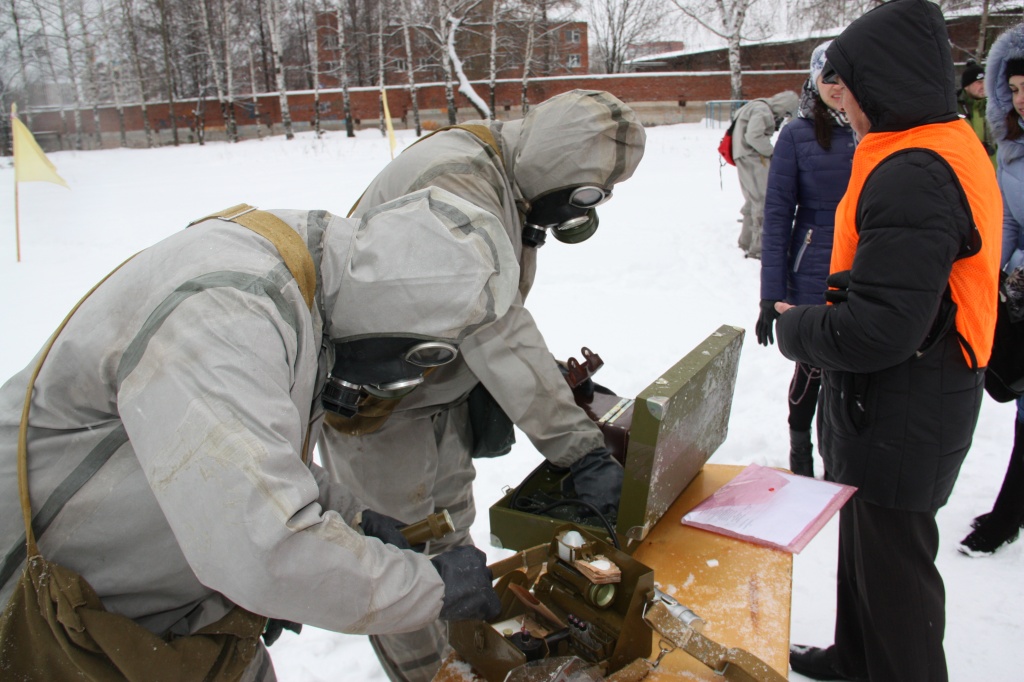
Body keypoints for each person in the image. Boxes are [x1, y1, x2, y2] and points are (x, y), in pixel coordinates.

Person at [0, 188, 519, 681]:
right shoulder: (231, 310)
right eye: (417, 361)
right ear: (392, 313)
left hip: (147, 595)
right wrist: (432, 588)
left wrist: (350, 514)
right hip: (40, 598)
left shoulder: (310, 292)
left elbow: (245, 453)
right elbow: (265, 550)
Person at [318, 89, 646, 682]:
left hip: (433, 398)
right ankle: (428, 672)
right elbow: (493, 324)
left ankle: (468, 653)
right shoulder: (457, 180)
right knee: (403, 563)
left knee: (452, 541)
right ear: (554, 163)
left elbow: (494, 311)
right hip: (379, 411)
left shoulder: (504, 174)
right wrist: (579, 449)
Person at [774, 1, 1002, 680]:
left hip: (909, 399)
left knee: (897, 571)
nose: (840, 104)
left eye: (847, 87)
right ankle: (856, 655)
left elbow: (880, 329)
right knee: (866, 541)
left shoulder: (915, 172)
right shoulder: (927, 145)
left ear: (884, 81)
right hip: (900, 395)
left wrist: (795, 326)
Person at [756, 40, 855, 478]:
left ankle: (841, 461)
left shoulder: (872, 129)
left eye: (845, 75)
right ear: (814, 80)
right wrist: (770, 296)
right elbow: (777, 216)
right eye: (828, 75)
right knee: (812, 369)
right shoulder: (797, 134)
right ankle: (800, 454)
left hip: (862, 268)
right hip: (812, 269)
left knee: (849, 369)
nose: (837, 85)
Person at [958, 23, 1024, 556]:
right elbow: (1009, 223)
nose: (1021, 101)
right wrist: (992, 272)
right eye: (1016, 89)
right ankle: (1012, 507)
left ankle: (1007, 515)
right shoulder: (1014, 153)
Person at [731, 90, 800, 259]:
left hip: (742, 157)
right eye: (786, 114)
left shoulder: (754, 105)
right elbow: (754, 136)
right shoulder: (763, 110)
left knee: (752, 201)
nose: (783, 118)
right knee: (762, 201)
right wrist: (773, 152)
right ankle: (759, 249)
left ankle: (745, 242)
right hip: (754, 159)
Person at [958, 60, 998, 168]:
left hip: (994, 169)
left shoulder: (994, 106)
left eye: (985, 82)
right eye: (979, 82)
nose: (983, 86)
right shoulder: (956, 109)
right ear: (966, 86)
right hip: (969, 167)